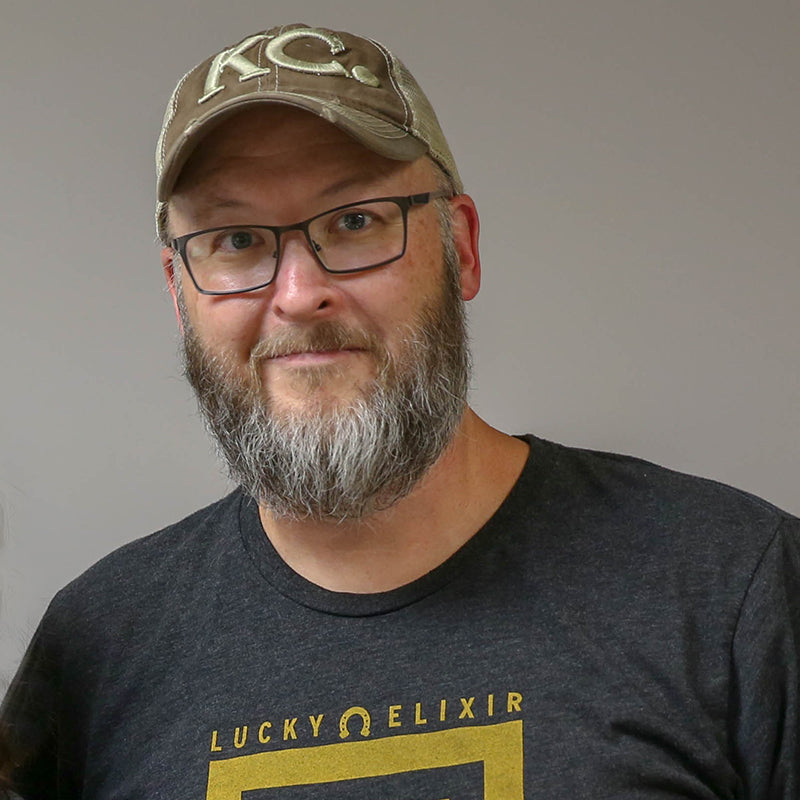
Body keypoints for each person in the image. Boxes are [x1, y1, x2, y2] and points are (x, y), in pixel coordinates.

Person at [1, 22, 798, 799]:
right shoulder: (94, 649)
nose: (297, 293)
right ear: (179, 294)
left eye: (355, 223)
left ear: (462, 249)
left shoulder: (734, 589)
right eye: (236, 239)